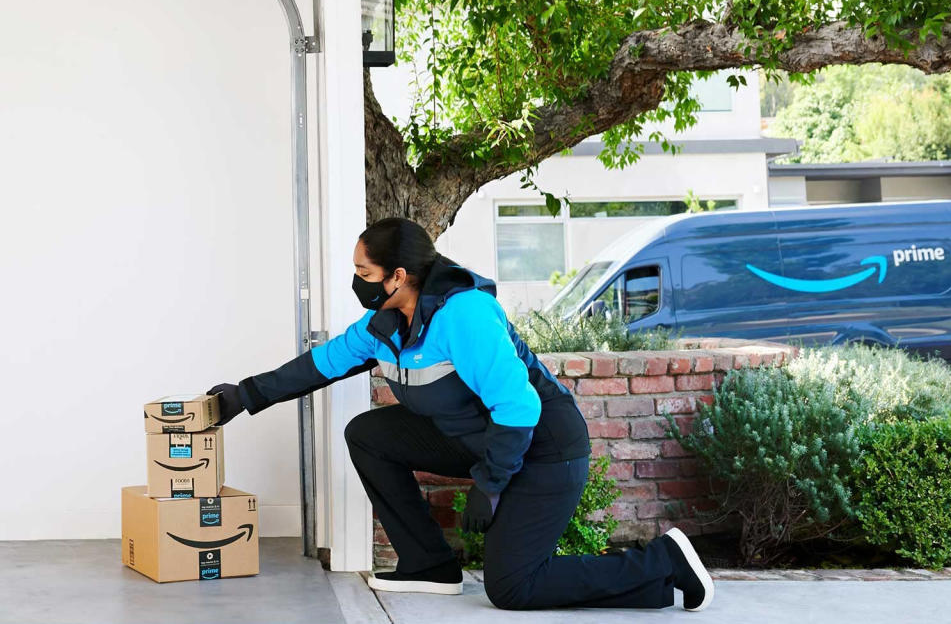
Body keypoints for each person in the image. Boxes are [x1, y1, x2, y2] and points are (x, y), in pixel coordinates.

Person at [207, 217, 714, 612]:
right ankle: (429, 564)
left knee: (513, 587)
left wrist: (490, 485)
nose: (356, 282)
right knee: (369, 433)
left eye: (364, 273)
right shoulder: (383, 323)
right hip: (478, 440)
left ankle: (662, 562)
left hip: (542, 449)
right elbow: (321, 364)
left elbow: (520, 407)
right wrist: (244, 396)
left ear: (398, 275)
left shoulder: (463, 314)